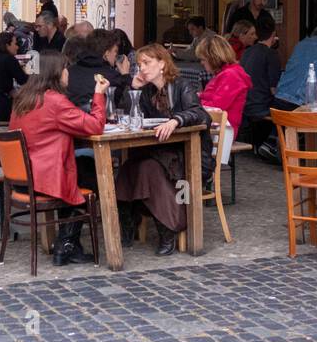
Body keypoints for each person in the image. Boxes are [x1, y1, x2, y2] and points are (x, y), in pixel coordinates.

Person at [8, 51, 109, 266]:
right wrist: (99, 94)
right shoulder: (54, 101)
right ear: (55, 71)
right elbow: (95, 126)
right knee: (92, 172)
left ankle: (67, 244)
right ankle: (67, 245)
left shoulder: (22, 98)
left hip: (22, 180)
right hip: (46, 180)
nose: (68, 73)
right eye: (65, 68)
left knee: (82, 166)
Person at [113, 43, 210, 256]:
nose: (142, 69)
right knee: (130, 167)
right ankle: (130, 220)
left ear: (163, 63)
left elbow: (201, 114)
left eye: (147, 63)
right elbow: (130, 116)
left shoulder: (182, 86)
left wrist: (176, 120)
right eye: (139, 65)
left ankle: (167, 228)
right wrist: (134, 90)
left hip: (186, 157)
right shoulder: (148, 91)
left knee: (147, 168)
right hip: (157, 152)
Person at [197, 34, 252, 174]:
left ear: (212, 58)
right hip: (215, 127)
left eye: (203, 59)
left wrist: (197, 101)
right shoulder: (227, 74)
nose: (202, 63)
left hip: (221, 131)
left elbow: (217, 106)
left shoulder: (230, 76)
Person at [239, 15, 282, 162]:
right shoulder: (271, 55)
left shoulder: (247, 52)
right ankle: (271, 143)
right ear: (274, 34)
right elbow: (273, 89)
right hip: (261, 105)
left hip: (245, 103)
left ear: (256, 33)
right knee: (289, 106)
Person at [66, 29, 131, 112]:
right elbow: (128, 106)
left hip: (70, 121)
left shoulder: (69, 72)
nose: (116, 56)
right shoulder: (113, 77)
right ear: (106, 53)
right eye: (115, 51)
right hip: (100, 121)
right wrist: (125, 76)